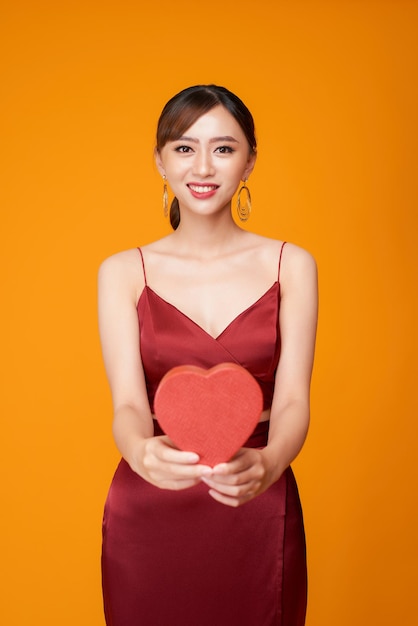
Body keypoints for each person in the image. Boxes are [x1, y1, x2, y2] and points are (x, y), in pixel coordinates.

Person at [98, 84, 318, 626]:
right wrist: (140, 454)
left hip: (256, 496)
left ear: (249, 162)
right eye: (183, 147)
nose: (203, 166)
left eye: (223, 148)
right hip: (149, 503)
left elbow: (292, 400)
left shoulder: (292, 265)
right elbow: (127, 404)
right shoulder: (123, 271)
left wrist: (268, 465)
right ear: (160, 161)